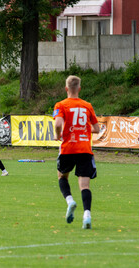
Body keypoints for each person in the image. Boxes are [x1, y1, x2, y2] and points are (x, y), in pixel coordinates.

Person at [53, 75, 100, 229]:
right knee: (85, 185)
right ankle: (87, 215)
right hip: (84, 149)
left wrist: (57, 135)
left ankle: (70, 201)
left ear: (66, 88)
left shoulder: (61, 104)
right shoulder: (87, 105)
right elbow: (96, 129)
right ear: (79, 88)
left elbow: (58, 123)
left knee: (62, 176)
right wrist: (84, 130)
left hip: (68, 148)